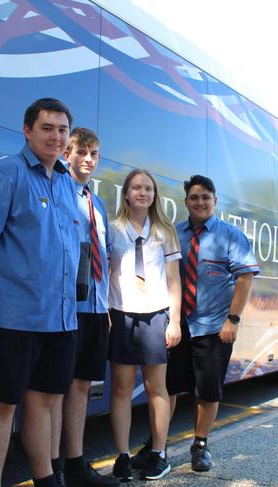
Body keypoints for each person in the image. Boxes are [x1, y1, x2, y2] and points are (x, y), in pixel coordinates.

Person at [0, 98, 80, 487]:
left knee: (42, 402)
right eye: (47, 128)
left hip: (59, 318)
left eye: (62, 130)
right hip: (12, 316)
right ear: (27, 131)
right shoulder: (7, 173)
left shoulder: (66, 182)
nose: (56, 136)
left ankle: (45, 479)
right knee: (1, 406)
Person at [132, 174, 258, 472]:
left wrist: (233, 320)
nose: (199, 202)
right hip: (177, 326)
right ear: (186, 201)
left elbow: (245, 278)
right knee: (168, 388)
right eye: (194, 197)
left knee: (207, 391)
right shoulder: (175, 234)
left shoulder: (230, 235)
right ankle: (156, 445)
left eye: (205, 197)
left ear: (215, 201)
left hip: (215, 328)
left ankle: (200, 445)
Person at [49, 128, 119, 486]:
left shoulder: (98, 203)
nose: (88, 159)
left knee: (81, 385)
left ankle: (75, 463)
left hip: (94, 306)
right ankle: (52, 468)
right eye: (81, 152)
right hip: (64, 308)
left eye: (94, 153)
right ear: (67, 153)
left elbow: (102, 257)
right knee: (56, 386)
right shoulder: (56, 192)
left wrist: (105, 305)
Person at [107, 169, 182, 481]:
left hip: (155, 316)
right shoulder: (111, 229)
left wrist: (174, 321)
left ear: (155, 195)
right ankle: (123, 455)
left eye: (148, 188)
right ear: (125, 193)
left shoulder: (164, 230)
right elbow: (103, 274)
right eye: (136, 187)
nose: (143, 193)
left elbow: (174, 279)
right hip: (121, 314)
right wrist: (107, 315)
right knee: (122, 388)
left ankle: (159, 453)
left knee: (156, 388)